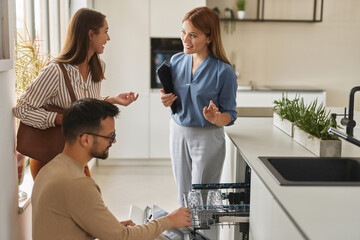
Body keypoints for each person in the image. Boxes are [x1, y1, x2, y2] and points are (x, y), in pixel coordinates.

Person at [31, 98, 191, 240]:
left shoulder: (50, 169)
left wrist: (107, 228)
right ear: (85, 139)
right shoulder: (77, 184)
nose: (113, 142)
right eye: (110, 136)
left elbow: (65, 226)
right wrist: (168, 221)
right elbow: (122, 237)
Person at [13, 8, 138, 180]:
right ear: (90, 34)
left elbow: (83, 104)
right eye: (105, 32)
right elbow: (21, 109)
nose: (108, 38)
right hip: (49, 156)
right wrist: (62, 119)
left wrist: (111, 100)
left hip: (77, 157)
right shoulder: (55, 71)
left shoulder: (98, 67)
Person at [160, 7, 238, 206]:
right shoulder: (177, 61)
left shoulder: (224, 71)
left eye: (193, 35)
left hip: (208, 137)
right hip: (177, 131)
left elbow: (230, 114)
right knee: (183, 196)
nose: (185, 39)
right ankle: (186, 236)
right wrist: (167, 100)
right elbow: (174, 98)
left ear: (209, 38)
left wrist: (216, 118)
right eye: (183, 32)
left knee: (202, 200)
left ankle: (205, 238)